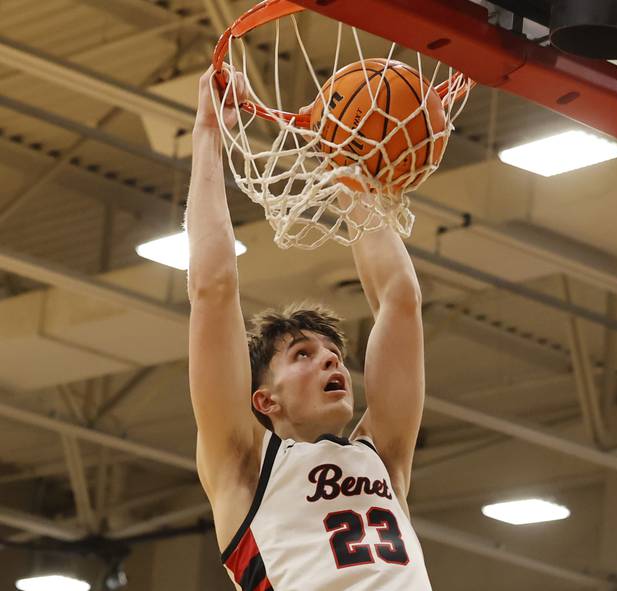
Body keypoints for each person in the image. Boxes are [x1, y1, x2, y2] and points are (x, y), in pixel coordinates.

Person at [185, 66, 431, 590]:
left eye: (331, 352)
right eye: (302, 354)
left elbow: (400, 299)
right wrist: (208, 132)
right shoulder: (243, 463)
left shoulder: (383, 456)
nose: (330, 359)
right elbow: (212, 288)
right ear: (264, 400)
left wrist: (346, 167)